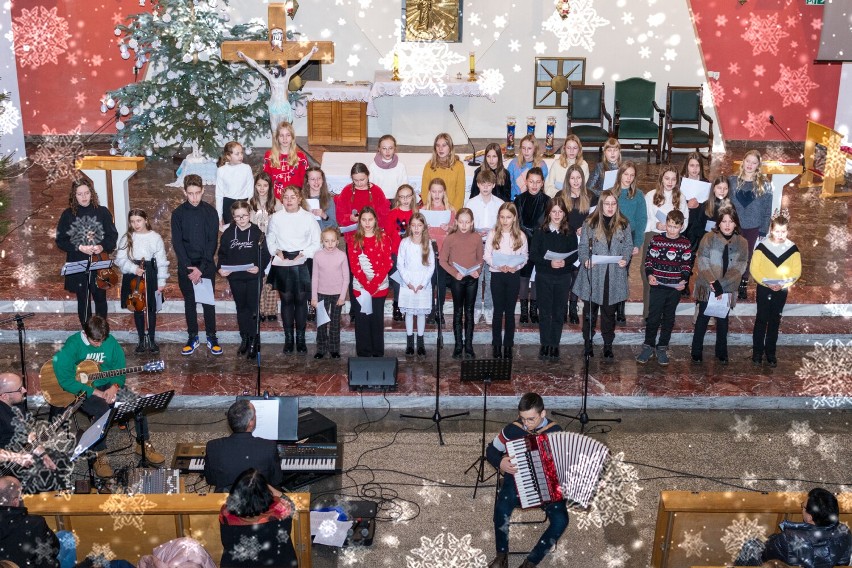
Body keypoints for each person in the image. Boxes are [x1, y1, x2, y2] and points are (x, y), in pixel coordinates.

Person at [52, 316, 164, 477]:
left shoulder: (110, 343)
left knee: (136, 402)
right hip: (82, 389)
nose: (99, 344)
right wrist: (96, 393)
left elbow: (119, 369)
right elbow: (65, 380)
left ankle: (143, 443)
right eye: (95, 341)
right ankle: (99, 455)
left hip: (108, 385)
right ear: (85, 333)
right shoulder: (72, 345)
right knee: (102, 411)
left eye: (102, 341)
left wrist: (114, 387)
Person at [485, 393, 568, 568]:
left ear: (542, 414)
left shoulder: (556, 432)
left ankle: (530, 562)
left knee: (561, 520)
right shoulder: (512, 430)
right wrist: (500, 462)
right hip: (515, 478)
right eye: (523, 419)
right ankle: (502, 556)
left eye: (531, 419)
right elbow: (491, 450)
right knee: (501, 508)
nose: (526, 424)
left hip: (546, 486)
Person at [573, 190, 633, 361]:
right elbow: (583, 247)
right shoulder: (590, 223)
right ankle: (588, 343)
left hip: (613, 275)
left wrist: (625, 259)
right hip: (594, 274)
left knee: (609, 313)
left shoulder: (623, 223)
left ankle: (608, 345)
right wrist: (585, 260)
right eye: (607, 204)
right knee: (589, 313)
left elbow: (628, 245)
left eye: (613, 204)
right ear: (601, 205)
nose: (610, 207)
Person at [55, 177, 119, 327]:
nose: (84, 197)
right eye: (79, 194)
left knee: (100, 297)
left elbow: (112, 236)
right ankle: (86, 331)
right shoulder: (67, 215)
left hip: (99, 261)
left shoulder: (102, 212)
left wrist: (102, 246)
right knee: (83, 299)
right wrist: (79, 247)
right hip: (78, 261)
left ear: (92, 193)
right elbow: (60, 240)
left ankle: (101, 330)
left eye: (86, 193)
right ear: (74, 196)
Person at [690, 206, 749, 364]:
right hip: (707, 285)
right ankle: (696, 351)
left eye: (731, 221)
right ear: (719, 223)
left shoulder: (742, 243)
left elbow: (740, 267)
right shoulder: (708, 238)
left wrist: (721, 286)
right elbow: (702, 261)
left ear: (736, 223)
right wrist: (713, 283)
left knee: (723, 321)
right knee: (702, 319)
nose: (727, 225)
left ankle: (721, 352)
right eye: (724, 221)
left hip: (727, 288)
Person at [266, 186, 321, 355]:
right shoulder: (276, 217)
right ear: (282, 199)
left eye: (293, 197)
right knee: (287, 299)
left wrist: (304, 254)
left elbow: (317, 241)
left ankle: (301, 339)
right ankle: (289, 339)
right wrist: (276, 251)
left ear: (299, 199)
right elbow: (270, 237)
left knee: (300, 300)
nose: (289, 200)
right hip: (283, 259)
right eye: (286, 197)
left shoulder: (308, 217)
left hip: (302, 260)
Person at [735, 488, 852, 567]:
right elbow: (845, 559)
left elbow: (765, 552)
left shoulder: (788, 539)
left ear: (810, 517)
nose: (802, 508)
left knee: (751, 545)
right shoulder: (844, 532)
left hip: (780, 556)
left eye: (803, 507)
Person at [171, 174, 222, 356]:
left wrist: (200, 268)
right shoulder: (177, 214)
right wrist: (189, 268)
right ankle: (193, 337)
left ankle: (211, 336)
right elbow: (177, 243)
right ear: (184, 191)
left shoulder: (210, 212)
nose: (194, 198)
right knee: (190, 303)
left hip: (205, 265)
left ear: (203, 191)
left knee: (208, 303)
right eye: (190, 193)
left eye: (197, 193)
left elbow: (212, 243)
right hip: (186, 267)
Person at [636, 210, 693, 366]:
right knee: (653, 317)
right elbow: (649, 261)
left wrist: (683, 281)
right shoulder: (657, 239)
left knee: (668, 318)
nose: (671, 230)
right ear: (666, 224)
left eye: (675, 227)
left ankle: (662, 346)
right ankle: (648, 345)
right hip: (658, 285)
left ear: (681, 227)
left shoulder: (685, 243)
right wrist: (650, 275)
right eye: (669, 226)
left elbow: (687, 266)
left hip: (674, 288)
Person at [218, 201, 270, 359]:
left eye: (244, 216)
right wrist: (220, 268)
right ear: (233, 217)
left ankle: (254, 339)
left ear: (250, 215)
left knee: (253, 309)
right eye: (237, 216)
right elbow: (222, 254)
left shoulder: (257, 232)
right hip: (236, 277)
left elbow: (266, 255)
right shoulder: (228, 233)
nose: (241, 219)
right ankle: (245, 338)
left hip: (253, 277)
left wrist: (259, 268)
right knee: (241, 308)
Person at [750, 214, 801, 367]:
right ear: (771, 230)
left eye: (783, 232)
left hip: (781, 289)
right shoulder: (762, 247)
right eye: (777, 231)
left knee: (774, 321)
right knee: (761, 320)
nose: (780, 235)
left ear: (787, 232)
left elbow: (796, 271)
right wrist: (765, 282)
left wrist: (783, 285)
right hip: (764, 288)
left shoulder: (792, 249)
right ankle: (757, 352)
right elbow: (754, 268)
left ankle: (770, 352)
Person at [115, 209, 169, 354]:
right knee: (137, 307)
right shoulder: (127, 238)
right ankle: (141, 340)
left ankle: (151, 339)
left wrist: (161, 281)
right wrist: (133, 269)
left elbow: (162, 261)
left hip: (150, 272)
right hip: (133, 274)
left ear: (145, 220)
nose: (135, 224)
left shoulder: (155, 237)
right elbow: (119, 259)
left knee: (150, 308)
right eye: (132, 221)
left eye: (138, 220)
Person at [219, 469, 298, 568]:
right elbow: (290, 504)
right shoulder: (280, 511)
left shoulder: (226, 513)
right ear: (265, 492)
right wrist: (267, 486)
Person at [530, 198, 577, 361]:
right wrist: (549, 262)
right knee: (544, 312)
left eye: (560, 212)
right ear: (548, 213)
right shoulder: (540, 231)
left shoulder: (569, 231)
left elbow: (575, 253)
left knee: (558, 312)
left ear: (564, 213)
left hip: (563, 277)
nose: (557, 215)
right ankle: (545, 344)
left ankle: (555, 344)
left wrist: (566, 261)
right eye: (554, 212)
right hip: (544, 276)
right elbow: (534, 254)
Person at [642, 165, 689, 319]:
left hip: (674, 239)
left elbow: (685, 220)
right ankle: (649, 313)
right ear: (661, 178)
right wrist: (656, 225)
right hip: (655, 235)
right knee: (649, 273)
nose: (670, 182)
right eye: (667, 178)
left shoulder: (680, 197)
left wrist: (674, 229)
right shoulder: (651, 195)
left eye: (673, 179)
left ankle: (666, 314)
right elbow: (646, 218)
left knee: (670, 275)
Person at [204, 400, 282, 493]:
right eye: (254, 415)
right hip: (257, 501)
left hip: (227, 502)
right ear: (250, 423)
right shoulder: (269, 446)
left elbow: (211, 480)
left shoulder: (213, 446)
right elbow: (276, 480)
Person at [238, 46, 318, 134]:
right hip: (274, 104)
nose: (272, 70)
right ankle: (276, 147)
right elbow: (256, 66)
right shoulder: (270, 75)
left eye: (273, 68)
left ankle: (285, 146)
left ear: (279, 66)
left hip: (283, 105)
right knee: (274, 128)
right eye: (271, 68)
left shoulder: (288, 73)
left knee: (285, 129)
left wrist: (311, 52)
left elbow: (301, 63)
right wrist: (244, 56)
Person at [484, 203, 528, 359]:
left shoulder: (521, 235)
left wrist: (515, 266)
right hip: (497, 274)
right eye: (502, 217)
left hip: (513, 275)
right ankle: (496, 344)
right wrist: (498, 265)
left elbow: (524, 256)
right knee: (497, 312)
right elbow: (487, 255)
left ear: (514, 218)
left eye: (508, 217)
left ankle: (508, 345)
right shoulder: (493, 233)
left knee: (509, 313)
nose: (505, 220)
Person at [556, 164, 599, 325]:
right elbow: (556, 217)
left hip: (583, 240)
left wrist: (585, 228)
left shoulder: (591, 196)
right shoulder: (560, 196)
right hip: (565, 238)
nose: (575, 181)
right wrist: (570, 229)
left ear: (583, 178)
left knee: (576, 274)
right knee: (564, 274)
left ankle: (573, 308)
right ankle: (561, 307)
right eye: (572, 178)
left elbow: (595, 218)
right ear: (568, 179)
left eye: (578, 178)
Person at [348, 206, 393, 357]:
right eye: (364, 220)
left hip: (379, 287)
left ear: (375, 220)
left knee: (376, 320)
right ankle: (363, 354)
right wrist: (367, 285)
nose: (367, 223)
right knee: (362, 322)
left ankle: (377, 353)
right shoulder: (354, 239)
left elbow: (387, 262)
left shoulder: (384, 237)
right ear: (359, 221)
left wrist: (375, 284)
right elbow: (354, 265)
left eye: (370, 219)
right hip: (361, 287)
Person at [729, 149, 774, 300]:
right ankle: (730, 282)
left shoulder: (765, 185)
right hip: (734, 225)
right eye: (748, 161)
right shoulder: (732, 181)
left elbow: (767, 209)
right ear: (743, 161)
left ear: (758, 165)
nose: (750, 165)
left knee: (747, 256)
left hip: (754, 226)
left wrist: (764, 229)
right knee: (732, 255)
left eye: (754, 163)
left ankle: (743, 283)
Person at [440, 208, 484, 359]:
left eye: (467, 222)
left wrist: (477, 271)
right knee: (458, 312)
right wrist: (454, 273)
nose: (464, 225)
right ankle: (458, 345)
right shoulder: (451, 238)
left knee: (470, 312)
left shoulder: (477, 238)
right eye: (461, 222)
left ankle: (469, 345)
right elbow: (442, 260)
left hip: (472, 278)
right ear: (456, 222)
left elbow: (480, 259)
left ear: (472, 223)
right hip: (457, 279)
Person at [0, 373, 57, 478]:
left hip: (21, 454)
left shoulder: (17, 405)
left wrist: (43, 455)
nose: (24, 390)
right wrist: (17, 458)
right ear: (5, 396)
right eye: (19, 389)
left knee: (57, 460)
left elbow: (29, 434)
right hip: (5, 466)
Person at [466, 170, 504, 325]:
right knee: (476, 277)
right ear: (478, 184)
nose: (486, 187)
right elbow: (465, 224)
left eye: (489, 184)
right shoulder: (471, 203)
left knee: (490, 279)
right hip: (475, 245)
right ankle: (475, 309)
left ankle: (488, 308)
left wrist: (493, 231)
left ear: (494, 185)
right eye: (483, 184)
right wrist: (475, 230)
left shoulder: (500, 204)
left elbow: (504, 225)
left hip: (493, 246)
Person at [397, 213, 435, 357]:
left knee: (420, 313)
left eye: (419, 225)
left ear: (424, 227)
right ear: (410, 227)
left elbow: (431, 266)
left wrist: (423, 283)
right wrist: (408, 282)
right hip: (408, 282)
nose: (416, 228)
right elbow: (400, 264)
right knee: (409, 312)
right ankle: (409, 342)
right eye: (413, 225)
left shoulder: (428, 243)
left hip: (422, 283)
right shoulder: (405, 242)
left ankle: (420, 342)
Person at [0, 476, 60, 568]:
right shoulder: (35, 523)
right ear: (15, 502)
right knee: (66, 536)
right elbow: (54, 549)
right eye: (21, 495)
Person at [514, 167, 549, 324]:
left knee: (536, 276)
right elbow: (517, 223)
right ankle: (523, 310)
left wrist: (537, 238)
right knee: (523, 276)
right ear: (526, 182)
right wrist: (524, 237)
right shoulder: (519, 200)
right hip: (522, 242)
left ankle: (534, 309)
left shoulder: (548, 201)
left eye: (537, 182)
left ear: (542, 183)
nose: (534, 185)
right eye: (531, 181)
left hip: (540, 242)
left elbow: (547, 223)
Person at [249, 171, 282, 324]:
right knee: (259, 278)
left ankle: (271, 310)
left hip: (272, 244)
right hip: (257, 245)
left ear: (270, 187)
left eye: (265, 185)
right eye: (259, 185)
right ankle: (260, 309)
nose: (262, 189)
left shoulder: (276, 203)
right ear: (255, 186)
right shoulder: (251, 203)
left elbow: (282, 225)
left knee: (271, 278)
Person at [311, 227, 349, 359]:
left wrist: (342, 296)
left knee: (334, 323)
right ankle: (321, 348)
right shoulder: (318, 255)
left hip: (337, 294)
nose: (330, 244)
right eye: (327, 241)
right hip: (321, 293)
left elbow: (346, 278)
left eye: (333, 241)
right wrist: (314, 297)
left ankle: (334, 348)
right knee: (321, 322)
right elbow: (315, 276)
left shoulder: (342, 256)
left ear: (338, 241)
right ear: (322, 241)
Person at [422, 178, 456, 325]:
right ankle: (430, 310)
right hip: (427, 250)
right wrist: (425, 228)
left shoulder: (450, 210)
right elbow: (417, 231)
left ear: (444, 193)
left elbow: (455, 232)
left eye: (439, 192)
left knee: (440, 282)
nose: (436, 195)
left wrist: (448, 229)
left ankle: (439, 310)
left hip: (443, 251)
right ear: (429, 192)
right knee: (430, 282)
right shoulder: (424, 209)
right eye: (434, 191)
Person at [334, 162, 390, 239]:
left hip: (372, 232)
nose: (359, 183)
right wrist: (350, 217)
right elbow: (339, 215)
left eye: (362, 180)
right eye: (355, 180)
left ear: (368, 176)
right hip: (353, 234)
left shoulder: (377, 191)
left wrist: (370, 222)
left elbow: (384, 215)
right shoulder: (347, 190)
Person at [387, 184, 417, 322]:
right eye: (402, 197)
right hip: (396, 252)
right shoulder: (392, 214)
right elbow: (387, 235)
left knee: (412, 278)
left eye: (408, 196)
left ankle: (411, 304)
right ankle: (397, 304)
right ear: (398, 198)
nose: (405, 199)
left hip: (413, 252)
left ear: (412, 197)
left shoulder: (416, 214)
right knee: (398, 279)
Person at [263, 121, 309, 200]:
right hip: (276, 200)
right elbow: (266, 180)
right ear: (277, 137)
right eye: (281, 135)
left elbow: (305, 180)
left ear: (292, 137)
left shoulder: (301, 157)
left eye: (288, 135)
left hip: (295, 199)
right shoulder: (269, 156)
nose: (285, 139)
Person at [421, 133, 466, 210]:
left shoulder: (459, 166)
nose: (440, 149)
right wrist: (431, 208)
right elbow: (425, 192)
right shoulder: (429, 166)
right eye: (438, 145)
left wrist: (453, 212)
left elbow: (460, 194)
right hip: (432, 210)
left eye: (444, 145)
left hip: (452, 210)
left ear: (450, 147)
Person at [215, 141, 254, 229]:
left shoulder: (246, 168)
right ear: (228, 156)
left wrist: (250, 207)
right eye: (237, 154)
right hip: (228, 205)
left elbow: (250, 190)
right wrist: (219, 217)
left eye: (241, 153)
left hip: (244, 203)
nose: (241, 156)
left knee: (245, 228)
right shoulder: (221, 170)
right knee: (232, 230)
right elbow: (219, 195)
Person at [544, 134, 589, 198]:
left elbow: (583, 189)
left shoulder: (584, 165)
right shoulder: (556, 164)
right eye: (569, 148)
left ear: (579, 149)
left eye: (575, 148)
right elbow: (548, 187)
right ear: (564, 148)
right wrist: (564, 195)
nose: (571, 151)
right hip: (559, 199)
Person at [507, 135, 548, 199]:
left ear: (535, 149)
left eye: (529, 148)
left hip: (534, 200)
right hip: (515, 199)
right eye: (523, 148)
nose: (526, 151)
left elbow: (543, 187)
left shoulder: (542, 165)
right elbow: (508, 185)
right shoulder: (513, 163)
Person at [370, 135, 409, 203]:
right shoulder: (373, 167)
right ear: (379, 149)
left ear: (394, 149)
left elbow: (404, 187)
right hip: (379, 201)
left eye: (390, 148)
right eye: (384, 148)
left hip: (396, 201)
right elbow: (370, 188)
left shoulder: (400, 166)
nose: (387, 151)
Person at [303, 166, 337, 233]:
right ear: (307, 181)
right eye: (312, 179)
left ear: (323, 180)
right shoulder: (301, 198)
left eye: (319, 178)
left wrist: (324, 216)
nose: (316, 182)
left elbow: (333, 226)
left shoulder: (328, 199)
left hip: (322, 236)